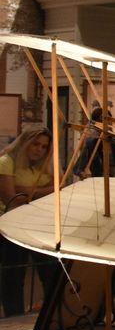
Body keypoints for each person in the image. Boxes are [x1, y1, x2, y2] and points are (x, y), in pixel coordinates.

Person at [0, 128, 57, 316]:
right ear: (25, 142)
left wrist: (26, 190)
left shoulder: (43, 166)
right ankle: (14, 315)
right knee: (14, 275)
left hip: (36, 223)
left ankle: (52, 312)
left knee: (49, 269)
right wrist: (45, 190)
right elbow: (12, 197)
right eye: (35, 144)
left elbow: (60, 188)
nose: (39, 149)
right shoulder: (7, 162)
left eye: (44, 146)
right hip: (9, 224)